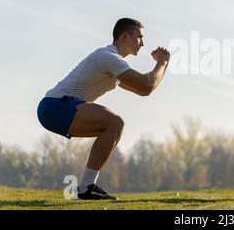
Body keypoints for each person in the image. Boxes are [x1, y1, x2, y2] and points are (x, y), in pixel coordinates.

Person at [37, 18, 170, 200]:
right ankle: (86, 188)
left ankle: (86, 187)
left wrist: (160, 65)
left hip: (55, 109)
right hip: (56, 106)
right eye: (139, 37)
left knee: (114, 126)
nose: (143, 43)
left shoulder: (113, 63)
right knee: (115, 122)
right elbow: (147, 85)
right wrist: (162, 62)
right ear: (125, 36)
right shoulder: (108, 57)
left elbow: (144, 89)